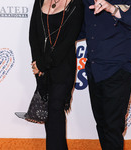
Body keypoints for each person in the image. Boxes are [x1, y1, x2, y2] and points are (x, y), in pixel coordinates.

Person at [79, 0, 131, 149]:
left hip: (118, 71)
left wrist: (113, 9)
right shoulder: (85, 2)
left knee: (112, 129)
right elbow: (81, 29)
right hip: (94, 71)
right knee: (102, 126)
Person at [29, 0, 84, 149]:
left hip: (63, 68)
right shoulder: (40, 1)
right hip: (41, 69)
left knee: (54, 110)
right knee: (50, 113)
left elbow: (67, 42)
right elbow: (33, 33)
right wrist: (37, 62)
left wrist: (42, 64)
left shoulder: (76, 4)